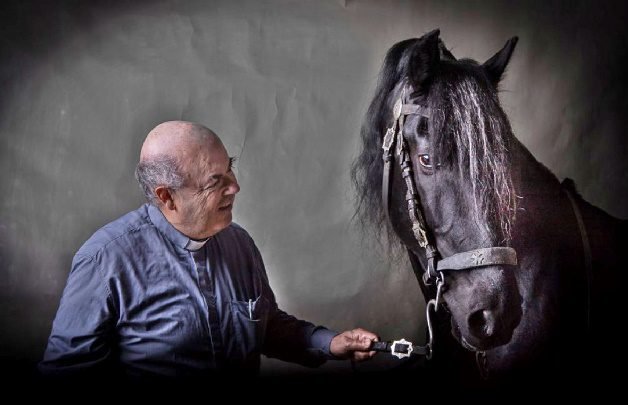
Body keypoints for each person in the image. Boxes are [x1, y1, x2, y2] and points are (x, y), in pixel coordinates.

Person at [40, 120, 378, 379]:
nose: (236, 186)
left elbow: (267, 326)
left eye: (229, 167)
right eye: (216, 182)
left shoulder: (240, 243)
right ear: (166, 196)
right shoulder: (104, 260)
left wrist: (331, 344)